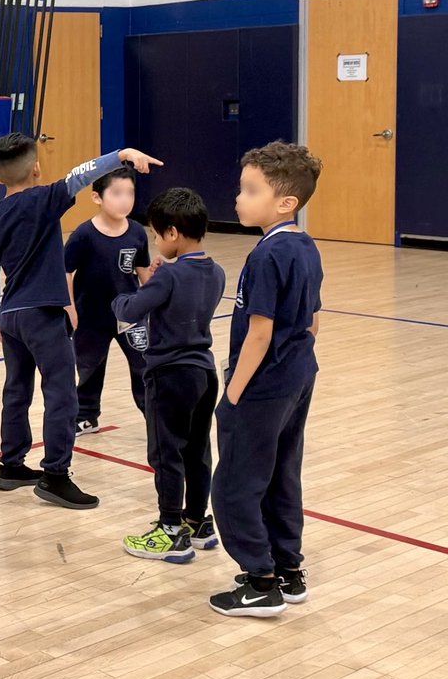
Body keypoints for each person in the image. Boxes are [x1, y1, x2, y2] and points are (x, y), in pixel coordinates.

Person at [0, 134, 162, 507]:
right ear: (37, 169)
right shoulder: (45, 198)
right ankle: (55, 475)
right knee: (61, 395)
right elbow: (83, 173)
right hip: (42, 314)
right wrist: (122, 153)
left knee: (16, 391)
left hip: (12, 316)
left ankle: (11, 465)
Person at [210, 142, 324, 618]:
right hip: (299, 376)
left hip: (262, 384)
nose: (238, 198)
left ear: (285, 203)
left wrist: (232, 395)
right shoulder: (305, 246)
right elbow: (314, 320)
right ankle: (287, 567)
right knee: (281, 471)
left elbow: (260, 332)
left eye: (250, 190)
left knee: (235, 481)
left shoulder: (265, 256)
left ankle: (260, 581)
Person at [111, 188, 225, 563]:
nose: (156, 242)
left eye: (158, 235)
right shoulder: (217, 271)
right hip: (204, 374)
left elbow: (130, 309)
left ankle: (170, 529)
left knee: (166, 453)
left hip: (169, 375)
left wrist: (123, 293)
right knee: (197, 450)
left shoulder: (169, 277)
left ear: (173, 233)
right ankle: (197, 522)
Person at [64, 166, 151, 434]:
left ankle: (156, 418)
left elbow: (143, 272)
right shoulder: (83, 234)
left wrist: (152, 304)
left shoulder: (137, 232)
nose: (125, 199)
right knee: (90, 367)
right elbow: (65, 272)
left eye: (130, 193)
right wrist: (70, 309)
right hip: (91, 317)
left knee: (144, 367)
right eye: (116, 193)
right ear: (97, 197)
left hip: (130, 316)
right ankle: (87, 415)